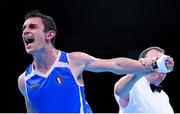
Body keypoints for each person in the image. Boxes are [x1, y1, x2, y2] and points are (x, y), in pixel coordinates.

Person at [17, 10, 171, 113]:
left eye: (32, 26)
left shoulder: (72, 61)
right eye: (24, 28)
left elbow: (115, 65)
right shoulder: (24, 80)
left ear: (49, 35)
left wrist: (154, 64)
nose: (25, 31)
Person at [114, 46, 174, 113]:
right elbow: (119, 91)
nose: (160, 66)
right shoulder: (134, 85)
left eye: (162, 62)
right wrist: (140, 69)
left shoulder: (164, 96)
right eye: (155, 62)